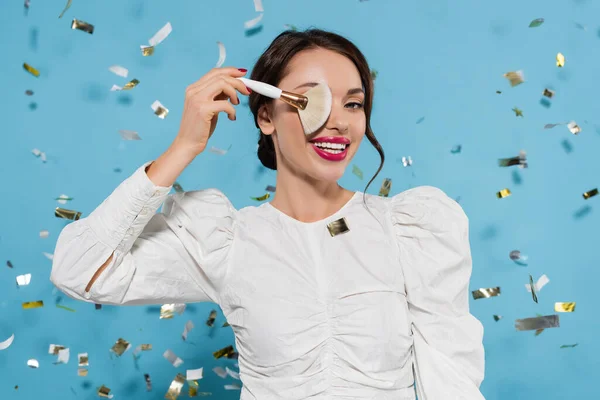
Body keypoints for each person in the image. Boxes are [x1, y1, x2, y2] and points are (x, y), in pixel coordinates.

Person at [50, 29, 485, 400]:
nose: (338, 122)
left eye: (353, 104)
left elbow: (452, 382)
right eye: (312, 101)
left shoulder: (411, 229)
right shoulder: (225, 240)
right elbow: (78, 269)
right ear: (266, 116)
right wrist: (183, 147)